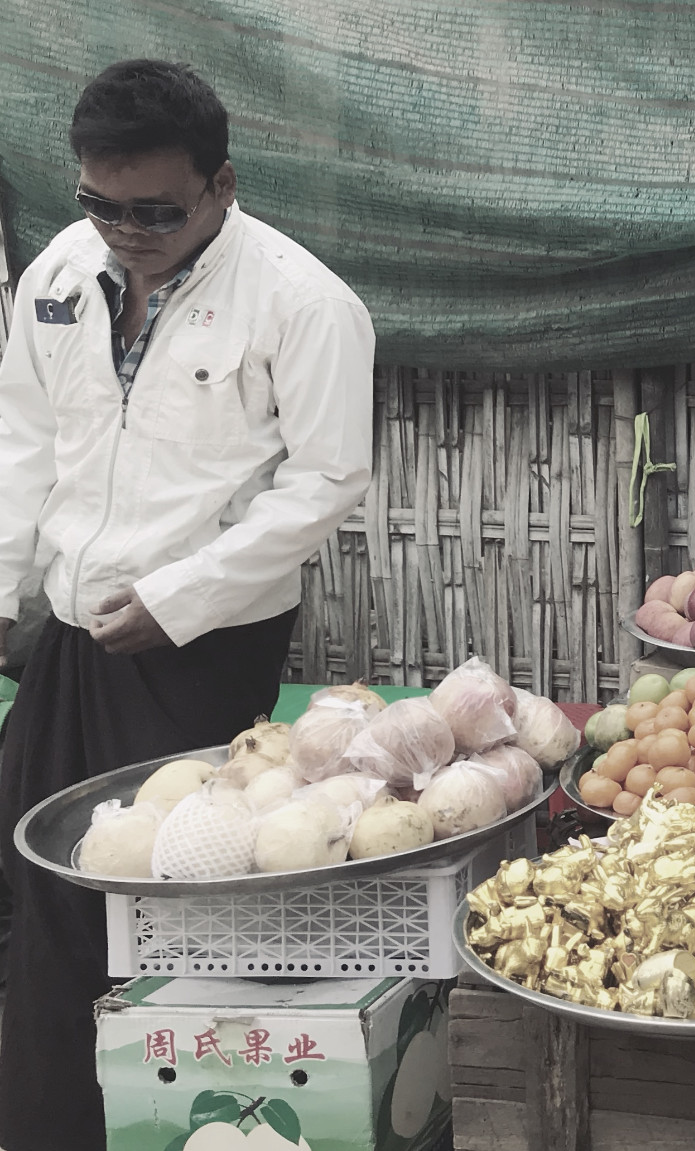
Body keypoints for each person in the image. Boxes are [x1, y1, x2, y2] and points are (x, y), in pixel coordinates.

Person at [0, 60, 374, 1148]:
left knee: (177, 900)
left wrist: (180, 596)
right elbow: (24, 444)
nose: (125, 229)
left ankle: (194, 1122)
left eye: (155, 209)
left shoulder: (303, 302)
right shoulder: (61, 275)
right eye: (99, 202)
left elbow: (326, 479)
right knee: (45, 890)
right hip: (69, 633)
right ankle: (49, 1127)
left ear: (221, 185)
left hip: (200, 644)